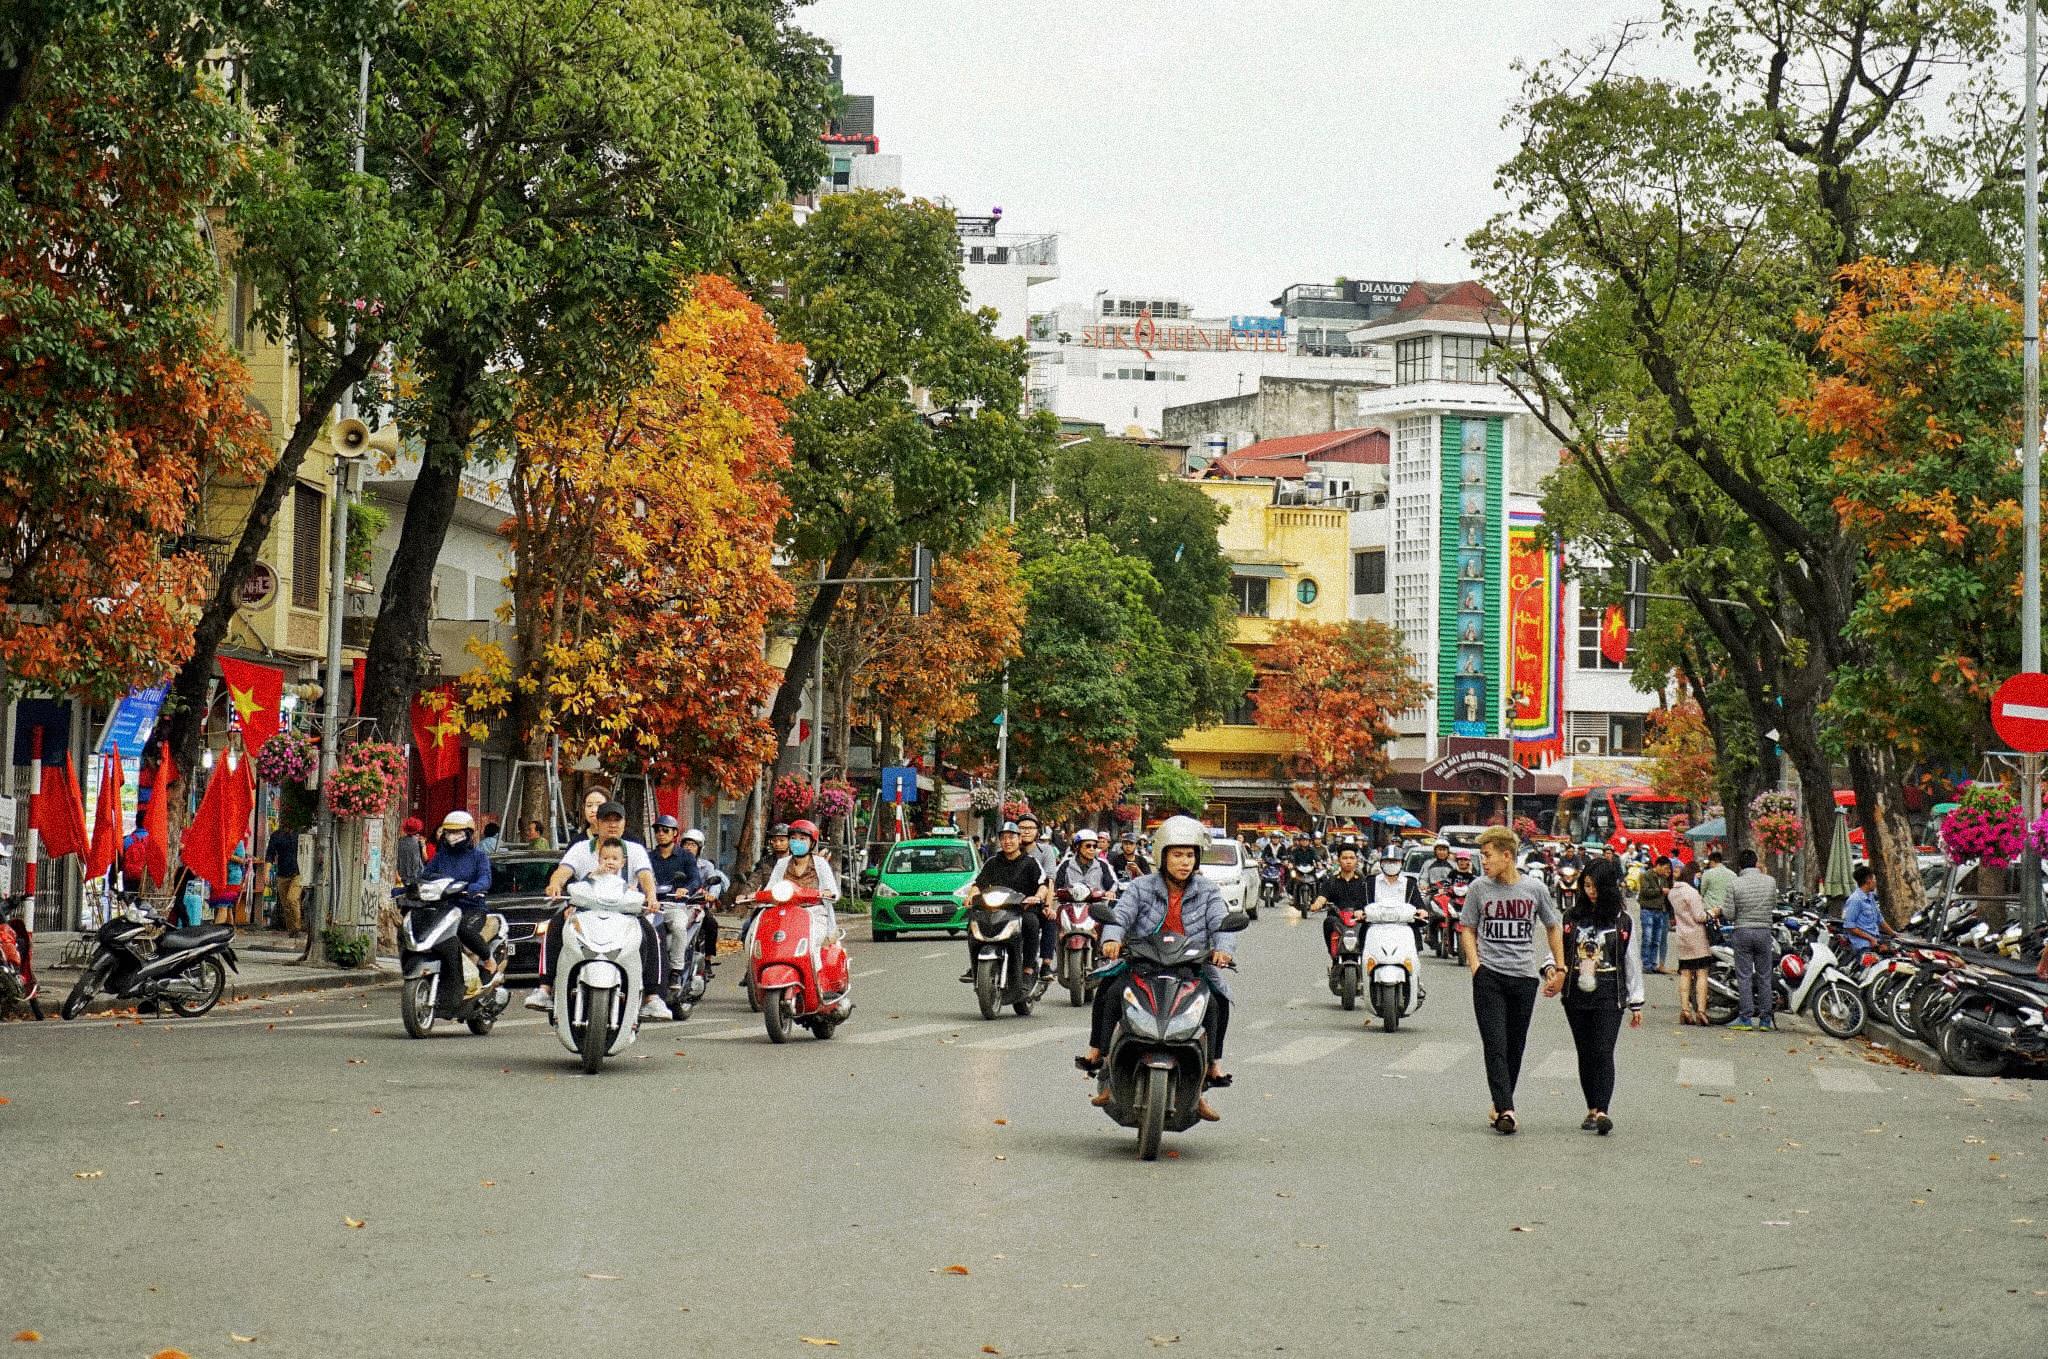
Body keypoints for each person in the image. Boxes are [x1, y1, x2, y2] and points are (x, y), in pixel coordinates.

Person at [1077, 815, 1238, 1122]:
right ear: (1162, 855)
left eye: (1190, 855)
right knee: (1110, 992)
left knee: (1217, 1002)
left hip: (1190, 967)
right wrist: (1112, 939)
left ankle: (1208, 1074)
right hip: (1143, 963)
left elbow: (1222, 924)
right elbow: (1120, 916)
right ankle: (1103, 1059)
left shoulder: (1208, 891)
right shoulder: (1140, 887)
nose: (1184, 862)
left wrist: (1222, 951)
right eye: (1177, 854)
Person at [1458, 825, 1566, 1135]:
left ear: (1508, 856)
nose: (1484, 862)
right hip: (1489, 976)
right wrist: (1476, 967)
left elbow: (1552, 926)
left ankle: (1500, 1102)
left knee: (1514, 1046)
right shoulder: (1479, 888)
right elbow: (1468, 927)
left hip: (1523, 977)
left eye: (1488, 856)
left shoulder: (1534, 889)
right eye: (1481, 857)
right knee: (1495, 1043)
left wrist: (1559, 967)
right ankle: (1507, 1109)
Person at [527, 800, 667, 1020]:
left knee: (650, 933)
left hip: (625, 914)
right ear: (597, 823)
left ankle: (652, 997)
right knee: (555, 926)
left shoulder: (635, 850)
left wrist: (651, 897)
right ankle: (544, 988)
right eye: (607, 820)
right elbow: (562, 871)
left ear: (624, 824)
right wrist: (555, 885)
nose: (612, 825)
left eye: (617, 820)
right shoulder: (581, 849)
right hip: (584, 914)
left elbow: (645, 876)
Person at [1558, 844, 1643, 1136]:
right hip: (1576, 995)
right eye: (1587, 885)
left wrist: (1636, 1002)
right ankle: (1591, 1108)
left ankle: (1603, 1110)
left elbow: (1631, 961)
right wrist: (1552, 971)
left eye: (1596, 886)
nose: (1590, 891)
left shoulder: (1622, 921)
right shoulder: (1571, 917)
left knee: (1603, 1051)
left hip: (1610, 993)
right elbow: (1558, 952)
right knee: (1585, 1052)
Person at [423, 811, 498, 1003]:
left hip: (471, 908)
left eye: (457, 832)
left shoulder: (478, 857)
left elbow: (485, 879)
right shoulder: (441, 857)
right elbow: (424, 875)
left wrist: (474, 888)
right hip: (445, 909)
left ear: (469, 833)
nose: (452, 836)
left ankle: (488, 959)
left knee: (460, 929)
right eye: (448, 832)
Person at [961, 821, 1046, 984]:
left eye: (1011, 837)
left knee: (1031, 923)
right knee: (973, 922)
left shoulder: (1030, 862)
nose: (1007, 841)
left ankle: (1028, 969)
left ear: (1019, 839)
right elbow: (978, 884)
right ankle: (975, 966)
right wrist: (971, 896)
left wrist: (1036, 897)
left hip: (1022, 909)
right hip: (995, 909)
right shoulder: (992, 862)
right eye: (1004, 838)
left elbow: (1043, 885)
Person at [1725, 849, 1779, 1032]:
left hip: (1742, 931)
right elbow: (1773, 904)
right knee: (1764, 975)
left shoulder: (1734, 884)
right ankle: (1765, 1019)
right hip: (1764, 932)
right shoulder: (1770, 882)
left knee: (1744, 976)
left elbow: (1729, 914)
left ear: (1740, 865)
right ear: (1756, 863)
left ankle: (1746, 1017)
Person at [1670, 860, 1713, 1025]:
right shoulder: (1692, 893)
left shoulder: (1673, 893)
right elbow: (1699, 916)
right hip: (1696, 936)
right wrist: (1712, 913)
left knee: (1685, 972)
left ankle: (1685, 1009)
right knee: (1701, 972)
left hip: (1682, 936)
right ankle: (1701, 1011)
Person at [1016, 814, 1060, 972]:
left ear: (1037, 832)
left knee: (1049, 919)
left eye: (1030, 828)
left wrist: (1048, 905)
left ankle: (1046, 964)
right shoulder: (1007, 850)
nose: (1025, 832)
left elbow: (1049, 881)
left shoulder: (1046, 851)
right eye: (1021, 828)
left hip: (1036, 902)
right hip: (1009, 903)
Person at [1052, 828, 1118, 918]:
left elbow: (1112, 883)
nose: (1092, 849)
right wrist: (1055, 892)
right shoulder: (1066, 864)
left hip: (1096, 910)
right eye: (1088, 846)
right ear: (1077, 846)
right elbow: (1055, 884)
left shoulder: (1102, 864)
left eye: (1094, 846)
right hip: (1069, 910)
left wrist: (1110, 892)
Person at [647, 815, 702, 895]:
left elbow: (695, 880)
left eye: (665, 830)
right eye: (657, 830)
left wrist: (686, 889)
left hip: (678, 903)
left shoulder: (687, 856)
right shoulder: (648, 857)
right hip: (652, 903)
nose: (661, 834)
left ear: (675, 832)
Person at [265, 820, 303, 933]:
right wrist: (266, 872)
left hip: (298, 873)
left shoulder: (299, 834)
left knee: (292, 899)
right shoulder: (276, 835)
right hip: (282, 873)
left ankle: (297, 927)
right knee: (285, 904)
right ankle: (291, 930)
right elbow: (270, 855)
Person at [1637, 858, 1672, 975]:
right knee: (1647, 938)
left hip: (1659, 911)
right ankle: (1646, 964)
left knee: (1656, 940)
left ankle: (1653, 963)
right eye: (1665, 868)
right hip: (1647, 910)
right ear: (1658, 865)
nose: (1667, 871)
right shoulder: (1646, 876)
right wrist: (1661, 891)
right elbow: (1645, 892)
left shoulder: (1664, 878)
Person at [1841, 864, 1885, 955]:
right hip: (1862, 946)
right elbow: (1850, 927)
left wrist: (1894, 934)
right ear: (1868, 881)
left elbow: (1880, 919)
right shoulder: (1855, 900)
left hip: (1874, 942)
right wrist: (1870, 939)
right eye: (1874, 879)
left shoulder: (1870, 896)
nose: (1875, 882)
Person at [1698, 847, 1737, 918]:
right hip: (1727, 910)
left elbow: (1702, 892)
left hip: (1711, 910)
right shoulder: (1733, 874)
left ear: (1712, 862)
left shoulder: (1707, 874)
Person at [396, 817, 428, 888]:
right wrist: (423, 846)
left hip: (402, 873)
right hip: (417, 874)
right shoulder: (420, 842)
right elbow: (425, 859)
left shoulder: (400, 841)